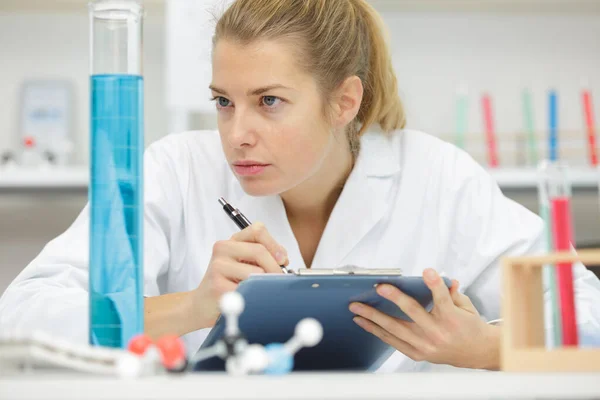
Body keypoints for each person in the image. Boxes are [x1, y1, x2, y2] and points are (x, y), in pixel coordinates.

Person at [1, 0, 600, 373]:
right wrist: (190, 308)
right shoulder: (175, 170)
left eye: (269, 102)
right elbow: (20, 317)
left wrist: (483, 349)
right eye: (223, 102)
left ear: (344, 100)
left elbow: (586, 319)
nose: (238, 133)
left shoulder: (439, 178)